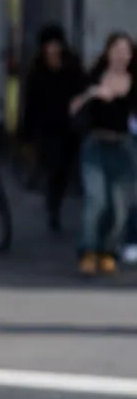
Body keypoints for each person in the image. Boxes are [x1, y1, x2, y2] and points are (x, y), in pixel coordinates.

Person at [70, 32, 137, 276]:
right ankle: (89, 251)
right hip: (96, 146)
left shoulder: (133, 80)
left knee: (119, 206)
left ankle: (108, 251)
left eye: (126, 50)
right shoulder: (94, 77)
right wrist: (95, 93)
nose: (122, 54)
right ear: (108, 52)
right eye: (117, 49)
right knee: (97, 201)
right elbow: (74, 106)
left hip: (123, 148)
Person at [22, 25, 86, 233]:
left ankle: (56, 202)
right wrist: (26, 132)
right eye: (49, 44)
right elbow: (31, 103)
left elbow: (82, 90)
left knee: (64, 171)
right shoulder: (37, 71)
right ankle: (53, 209)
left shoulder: (72, 66)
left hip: (69, 128)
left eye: (55, 44)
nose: (52, 48)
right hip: (47, 129)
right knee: (53, 168)